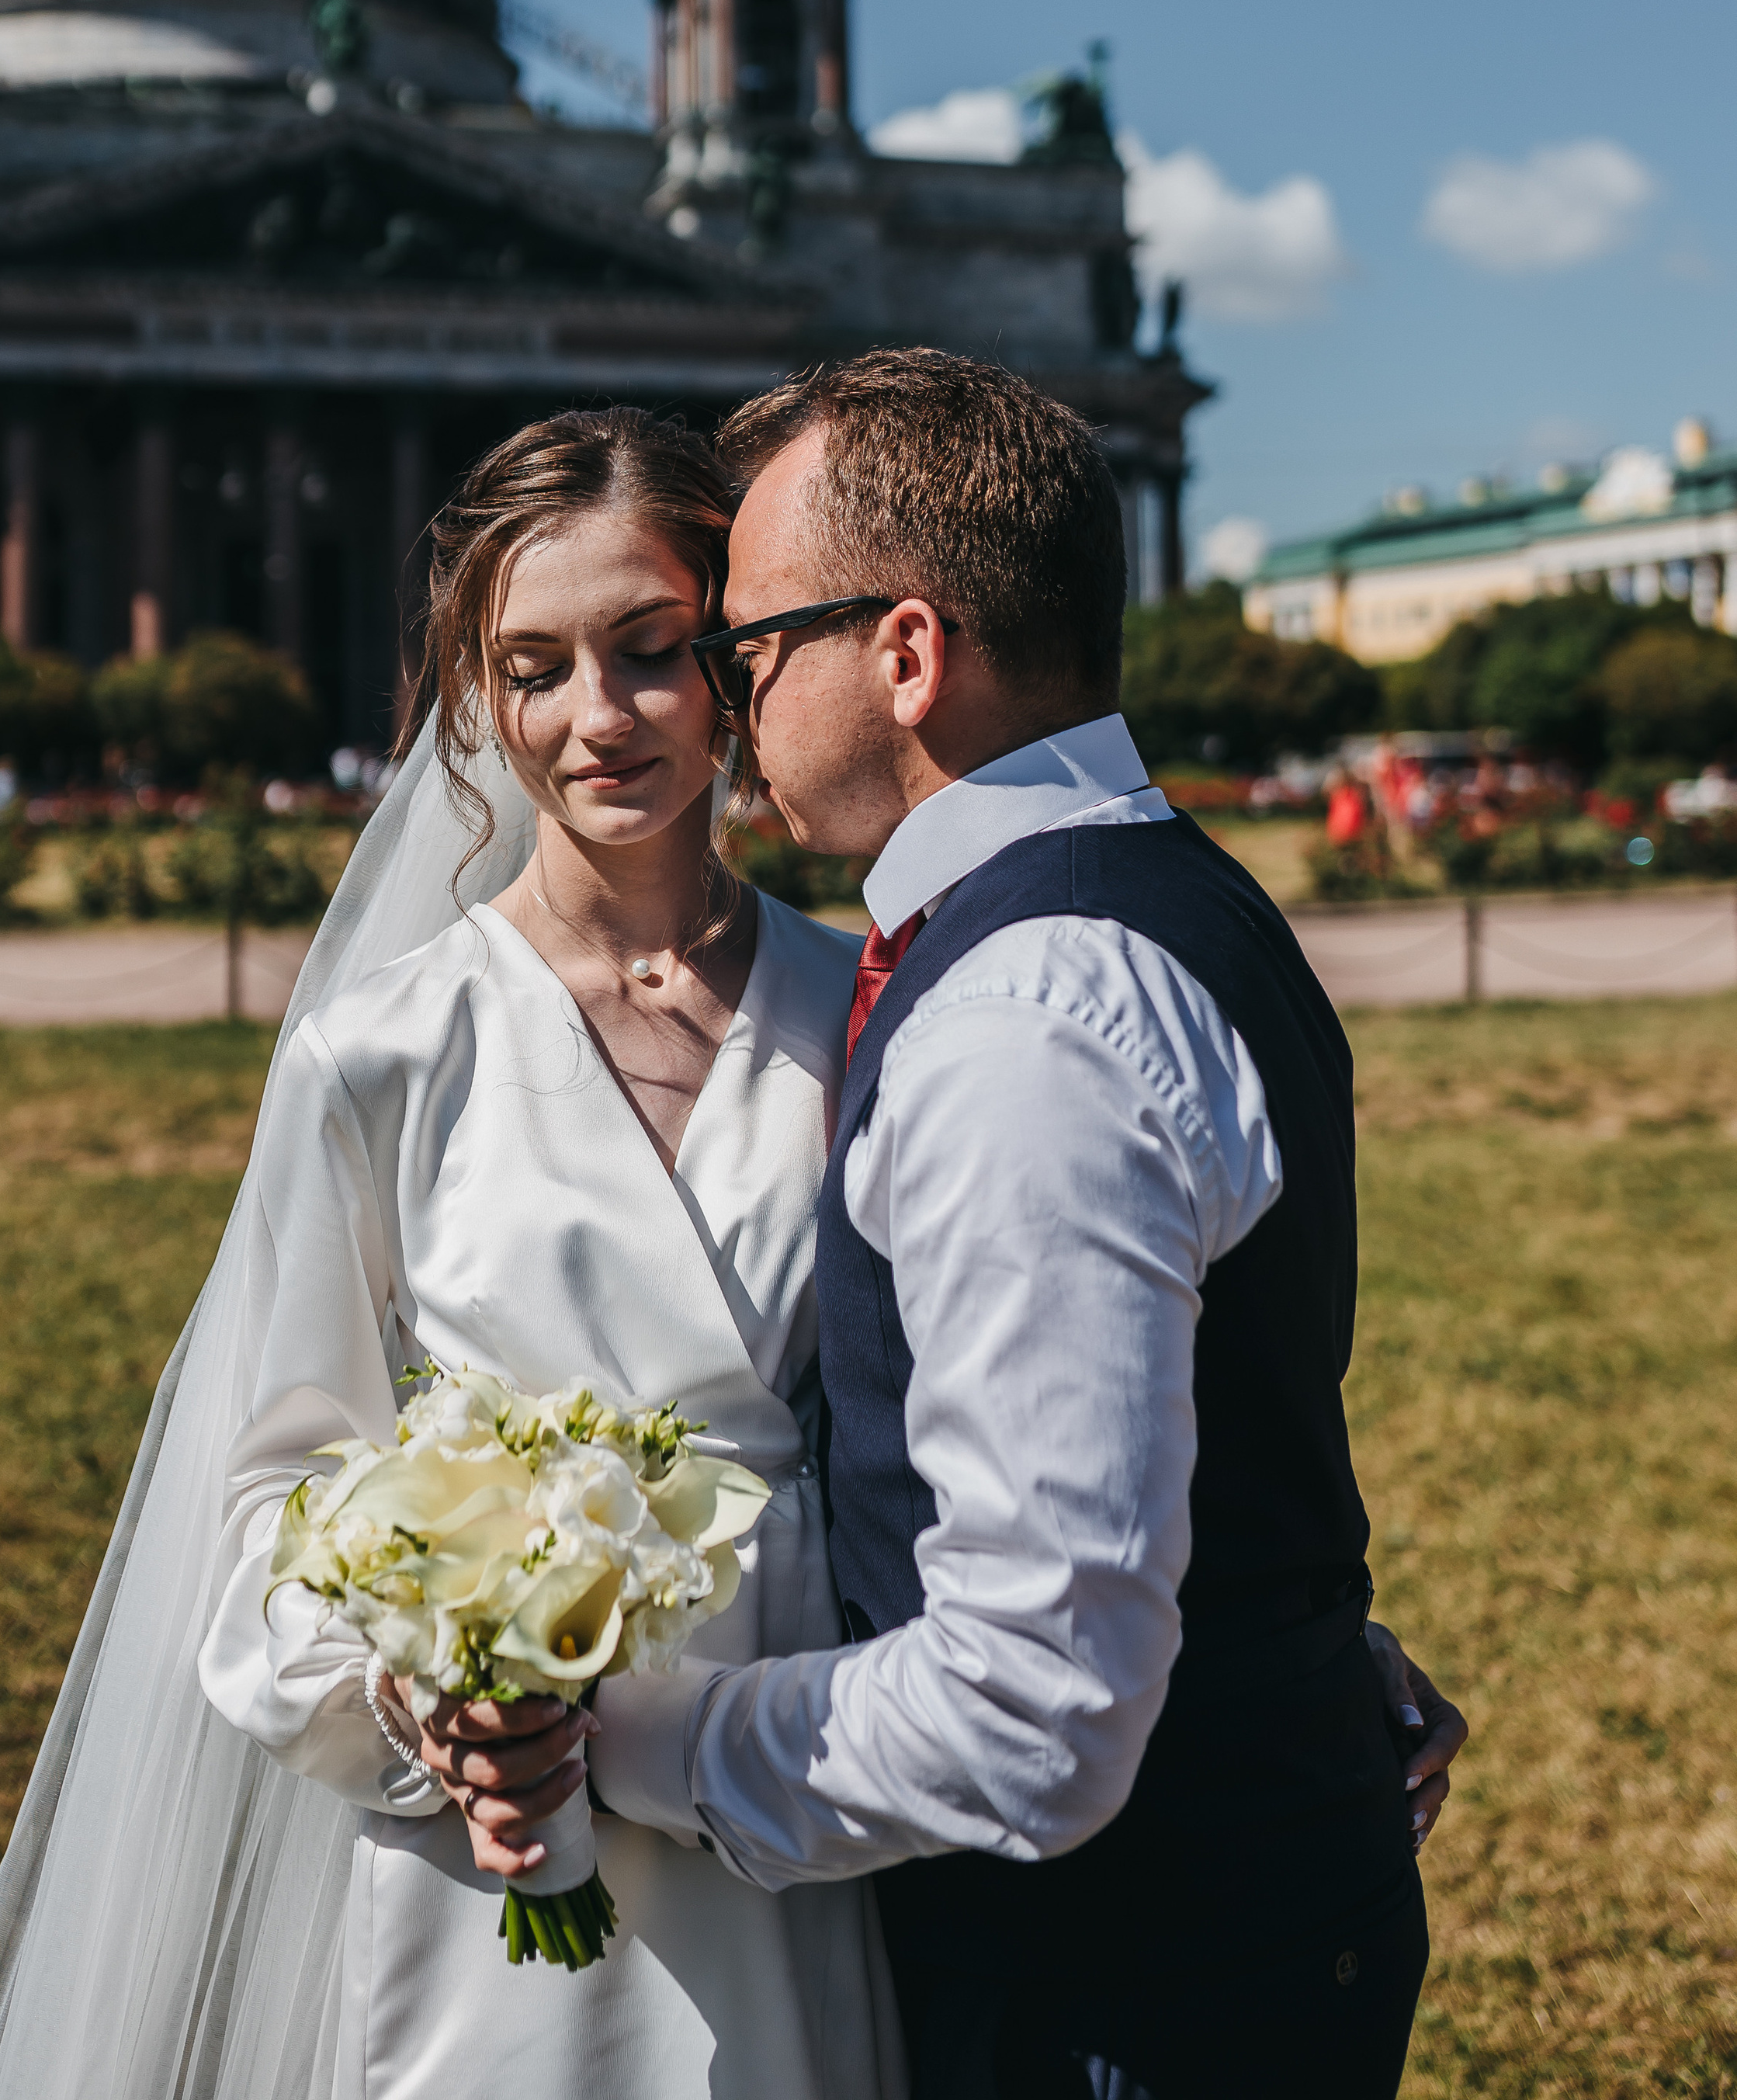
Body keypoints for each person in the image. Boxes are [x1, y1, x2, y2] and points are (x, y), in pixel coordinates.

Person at [430, 350, 1467, 2100]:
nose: (732, 704)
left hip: (1125, 1986)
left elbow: (1032, 1709)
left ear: (905, 653)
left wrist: (624, 1743)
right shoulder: (1171, 900)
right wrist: (1294, 1658)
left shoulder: (1019, 1021)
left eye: (751, 647)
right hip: (1249, 1902)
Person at [0, 408, 900, 2100]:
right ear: (474, 695)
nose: (596, 717)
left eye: (650, 650)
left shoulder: (856, 1004)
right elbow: (267, 1489)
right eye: (533, 669)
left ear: (732, 661)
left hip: (800, 1770)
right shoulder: (380, 1053)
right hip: (502, 1828)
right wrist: (425, 1707)